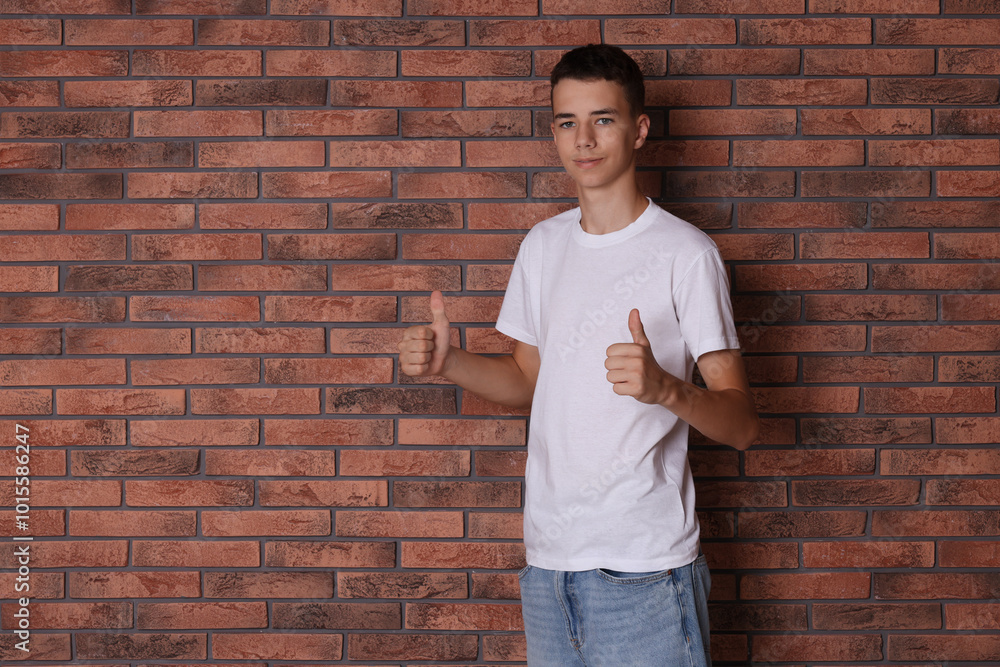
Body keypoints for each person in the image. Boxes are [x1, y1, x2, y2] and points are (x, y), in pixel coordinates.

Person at [398, 43, 759, 667]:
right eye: (567, 122)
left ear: (639, 129)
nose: (583, 140)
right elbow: (527, 380)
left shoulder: (686, 254)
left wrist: (667, 389)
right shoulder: (543, 246)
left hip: (645, 576)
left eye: (604, 119)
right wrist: (449, 364)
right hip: (549, 571)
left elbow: (743, 424)